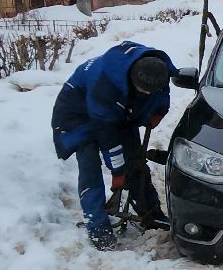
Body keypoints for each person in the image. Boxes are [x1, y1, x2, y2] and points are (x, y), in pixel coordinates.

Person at [51, 40, 175, 250]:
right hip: (78, 117)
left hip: (119, 110)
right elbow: (108, 138)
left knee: (136, 163)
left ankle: (151, 214)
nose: (147, 95)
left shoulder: (156, 69)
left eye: (150, 92)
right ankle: (98, 228)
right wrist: (118, 172)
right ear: (132, 81)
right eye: (143, 91)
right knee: (90, 166)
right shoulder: (104, 86)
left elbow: (162, 94)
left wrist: (159, 111)